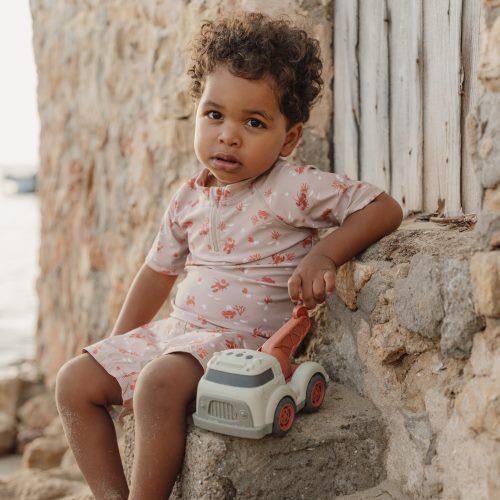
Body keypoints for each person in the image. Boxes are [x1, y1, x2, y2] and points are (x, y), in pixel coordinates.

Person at [55, 11, 403, 500]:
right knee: (74, 382)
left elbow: (382, 207)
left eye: (253, 122)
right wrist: (119, 348)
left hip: (243, 348)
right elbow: (156, 273)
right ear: (196, 112)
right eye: (214, 114)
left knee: (157, 383)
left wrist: (325, 255)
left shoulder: (291, 187)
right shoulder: (188, 198)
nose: (228, 135)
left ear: (289, 137)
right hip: (178, 337)